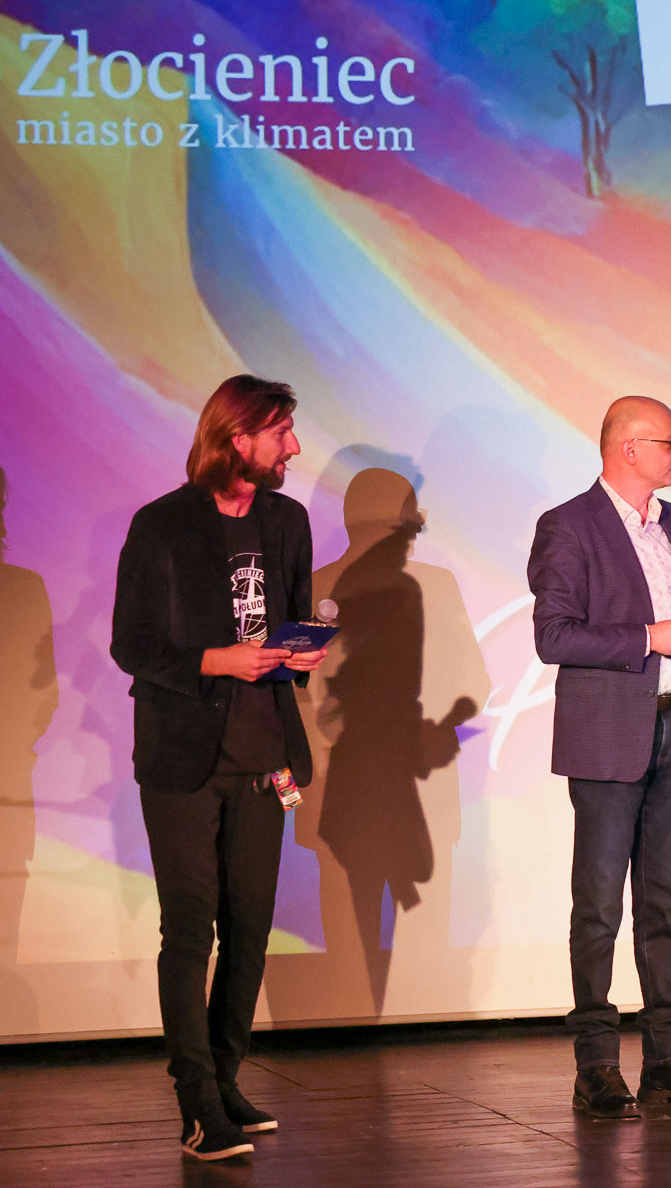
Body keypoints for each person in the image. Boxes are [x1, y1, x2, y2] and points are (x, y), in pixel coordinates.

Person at [110, 375, 328, 1161]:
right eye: (281, 432)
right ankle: (198, 1102)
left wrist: (299, 652)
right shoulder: (163, 525)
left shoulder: (287, 521)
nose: (293, 446)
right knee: (189, 927)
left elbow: (290, 622)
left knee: (251, 925)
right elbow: (132, 643)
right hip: (185, 760)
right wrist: (217, 659)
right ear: (238, 438)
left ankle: (227, 1078)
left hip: (266, 757)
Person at [528, 395, 671, 1117]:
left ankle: (668, 1055)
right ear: (628, 448)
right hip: (606, 735)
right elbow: (554, 636)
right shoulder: (569, 525)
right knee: (598, 904)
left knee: (665, 900)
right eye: (670, 443)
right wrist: (650, 637)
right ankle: (595, 1063)